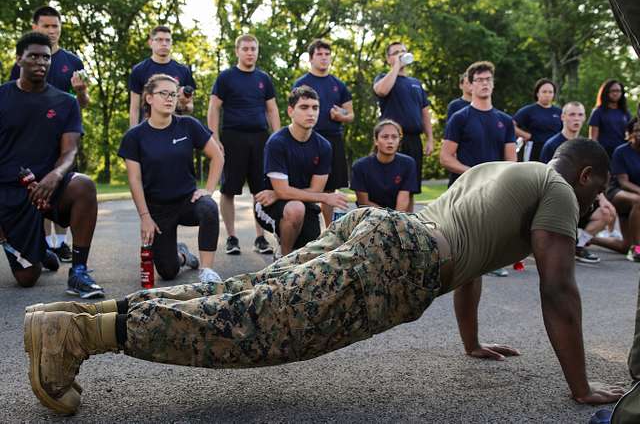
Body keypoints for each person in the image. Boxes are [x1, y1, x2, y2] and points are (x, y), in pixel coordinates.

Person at [23, 139, 625, 416]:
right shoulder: (560, 194)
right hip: (400, 260)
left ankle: (66, 322)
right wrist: (580, 388)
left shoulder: (502, 170)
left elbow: (473, 259)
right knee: (250, 326)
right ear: (592, 176)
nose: (596, 203)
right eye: (598, 192)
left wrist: (469, 342)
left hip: (376, 231)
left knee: (244, 295)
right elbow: (559, 289)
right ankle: (78, 339)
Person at [1, 32, 103, 298]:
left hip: (49, 186)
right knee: (27, 278)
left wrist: (56, 175)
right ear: (18, 59)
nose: (41, 62)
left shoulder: (66, 102)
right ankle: (38, 250)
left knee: (84, 186)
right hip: (9, 192)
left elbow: (70, 151)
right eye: (33, 56)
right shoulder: (2, 96)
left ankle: (79, 272)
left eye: (46, 57)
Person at [118, 74, 224, 283]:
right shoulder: (134, 136)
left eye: (173, 94)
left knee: (209, 207)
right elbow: (135, 180)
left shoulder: (188, 125)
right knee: (168, 272)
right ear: (149, 98)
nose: (169, 98)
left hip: (188, 202)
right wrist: (145, 217)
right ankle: (183, 255)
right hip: (158, 209)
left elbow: (217, 156)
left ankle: (207, 270)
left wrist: (209, 190)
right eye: (163, 93)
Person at [10, 6, 91, 264]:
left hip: (65, 134)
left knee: (63, 182)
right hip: (34, 137)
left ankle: (61, 243)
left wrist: (79, 92)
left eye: (55, 26)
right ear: (35, 27)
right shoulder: (24, 60)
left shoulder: (73, 62)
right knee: (37, 187)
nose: (52, 31)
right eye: (46, 26)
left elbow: (84, 102)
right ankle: (44, 245)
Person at [440, 60, 516, 277]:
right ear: (470, 85)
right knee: (462, 236)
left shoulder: (505, 120)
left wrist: (499, 177)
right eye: (479, 80)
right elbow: (445, 158)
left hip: (495, 185)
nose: (484, 83)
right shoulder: (459, 118)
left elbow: (511, 160)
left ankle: (492, 261)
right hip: (466, 185)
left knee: (491, 228)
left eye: (488, 80)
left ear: (493, 84)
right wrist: (472, 171)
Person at [207, 34, 280, 256]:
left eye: (253, 49)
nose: (250, 52)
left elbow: (272, 110)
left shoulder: (263, 78)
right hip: (232, 138)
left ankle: (261, 238)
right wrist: (214, 138)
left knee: (261, 189)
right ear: (237, 51)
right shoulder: (226, 77)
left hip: (260, 139)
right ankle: (231, 238)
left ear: (258, 51)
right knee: (228, 190)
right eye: (246, 48)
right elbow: (214, 108)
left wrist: (277, 138)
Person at [254, 86, 347, 256]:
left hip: (300, 202)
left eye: (315, 108)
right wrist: (326, 197)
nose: (311, 113)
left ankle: (291, 247)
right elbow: (317, 194)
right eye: (304, 107)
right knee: (295, 209)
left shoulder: (324, 146)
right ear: (291, 111)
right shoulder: (277, 142)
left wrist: (279, 193)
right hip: (268, 204)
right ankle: (283, 258)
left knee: (311, 254)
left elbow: (315, 190)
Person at [541, 102, 617, 264]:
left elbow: (597, 178)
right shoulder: (551, 145)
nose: (576, 118)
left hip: (584, 201)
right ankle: (555, 244)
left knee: (607, 212)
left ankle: (577, 245)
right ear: (563, 117)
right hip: (560, 201)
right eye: (572, 114)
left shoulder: (589, 147)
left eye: (580, 115)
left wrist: (602, 199)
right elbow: (544, 177)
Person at [293, 39, 354, 226]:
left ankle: (330, 233)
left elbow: (350, 114)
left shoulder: (338, 84)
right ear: (311, 58)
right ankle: (303, 229)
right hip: (308, 139)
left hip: (333, 139)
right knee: (304, 186)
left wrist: (340, 116)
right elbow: (294, 112)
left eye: (327, 54)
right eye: (319, 54)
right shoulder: (302, 83)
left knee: (329, 190)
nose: (324, 58)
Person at [373, 41, 435, 209]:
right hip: (392, 140)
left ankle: (408, 226)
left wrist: (430, 139)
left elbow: (425, 112)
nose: (400, 55)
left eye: (403, 52)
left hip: (414, 140)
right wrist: (396, 66)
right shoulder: (382, 78)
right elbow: (381, 91)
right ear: (388, 59)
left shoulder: (415, 83)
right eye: (395, 53)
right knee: (389, 185)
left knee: (410, 187)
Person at [591, 118, 640, 262]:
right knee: (639, 201)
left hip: (635, 204)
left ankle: (589, 239)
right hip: (617, 193)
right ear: (629, 134)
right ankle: (637, 248)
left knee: (625, 246)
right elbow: (623, 182)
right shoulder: (621, 151)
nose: (639, 134)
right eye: (636, 131)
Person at [128, 26, 196, 127]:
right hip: (148, 129)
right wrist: (132, 136)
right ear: (150, 42)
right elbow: (134, 108)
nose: (164, 43)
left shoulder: (183, 70)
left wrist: (183, 104)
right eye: (159, 40)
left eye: (168, 40)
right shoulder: (139, 70)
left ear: (171, 43)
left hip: (176, 129)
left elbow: (190, 106)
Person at [350, 119, 418, 211]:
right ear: (376, 141)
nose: (390, 141)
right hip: (370, 217)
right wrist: (387, 218)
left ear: (399, 141)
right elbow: (364, 203)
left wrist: (395, 220)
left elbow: (404, 199)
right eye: (385, 137)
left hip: (400, 217)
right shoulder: (360, 166)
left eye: (394, 137)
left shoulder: (408, 163)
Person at [513, 78, 562, 162]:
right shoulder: (528, 110)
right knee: (532, 173)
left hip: (555, 149)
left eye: (550, 92)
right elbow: (510, 125)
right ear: (537, 93)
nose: (547, 95)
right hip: (534, 149)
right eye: (544, 92)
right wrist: (525, 135)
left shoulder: (559, 112)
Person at [588, 79, 631, 158]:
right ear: (606, 92)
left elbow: (630, 134)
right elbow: (593, 138)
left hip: (622, 154)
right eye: (613, 91)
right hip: (604, 154)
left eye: (618, 91)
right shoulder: (598, 112)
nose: (615, 93)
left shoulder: (625, 112)